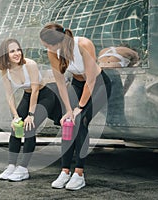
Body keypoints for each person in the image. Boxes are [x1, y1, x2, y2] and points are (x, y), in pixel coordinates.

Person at [40, 23, 112, 190]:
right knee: (68, 122)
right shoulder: (53, 51)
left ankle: (79, 174)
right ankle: (65, 171)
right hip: (78, 85)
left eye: (47, 45)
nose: (46, 48)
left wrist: (79, 107)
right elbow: (60, 82)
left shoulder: (83, 44)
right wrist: (68, 110)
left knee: (81, 122)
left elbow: (91, 80)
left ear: (57, 42)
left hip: (98, 85)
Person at [0, 38, 61, 182]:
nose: (17, 53)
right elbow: (9, 94)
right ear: (5, 54)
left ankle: (23, 169)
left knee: (29, 127)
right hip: (27, 96)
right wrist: (15, 116)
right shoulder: (4, 70)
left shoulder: (30, 64)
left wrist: (31, 114)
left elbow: (35, 90)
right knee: (16, 128)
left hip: (44, 95)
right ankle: (12, 165)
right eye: (12, 51)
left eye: (18, 49)